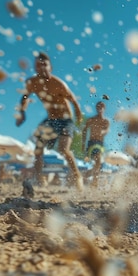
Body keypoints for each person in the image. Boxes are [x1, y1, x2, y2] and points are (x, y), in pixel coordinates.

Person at [16, 52, 84, 189]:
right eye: (38, 65)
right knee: (38, 149)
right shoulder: (32, 83)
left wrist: (78, 118)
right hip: (50, 120)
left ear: (50, 67)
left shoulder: (58, 84)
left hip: (65, 120)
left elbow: (74, 101)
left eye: (44, 65)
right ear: (35, 68)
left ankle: (77, 176)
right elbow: (24, 97)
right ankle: (39, 178)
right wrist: (22, 112)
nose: (42, 68)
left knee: (63, 149)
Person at [82, 101, 110, 187]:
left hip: (100, 143)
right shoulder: (91, 120)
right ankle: (92, 180)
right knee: (96, 162)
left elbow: (107, 130)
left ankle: (90, 179)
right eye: (98, 106)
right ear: (96, 108)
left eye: (101, 106)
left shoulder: (106, 121)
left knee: (98, 163)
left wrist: (103, 131)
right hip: (92, 143)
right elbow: (84, 130)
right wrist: (83, 144)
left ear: (104, 108)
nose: (100, 108)